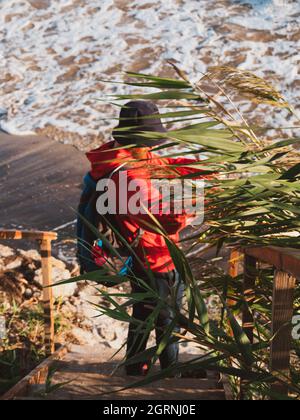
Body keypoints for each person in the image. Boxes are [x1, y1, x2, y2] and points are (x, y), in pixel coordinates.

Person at [85, 101, 202, 375]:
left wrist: (199, 167)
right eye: (150, 142)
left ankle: (136, 363)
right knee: (167, 315)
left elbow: (163, 164)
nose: (153, 148)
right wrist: (191, 211)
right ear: (139, 140)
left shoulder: (118, 157)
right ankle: (171, 368)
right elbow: (161, 219)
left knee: (144, 312)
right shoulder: (130, 176)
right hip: (155, 257)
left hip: (141, 256)